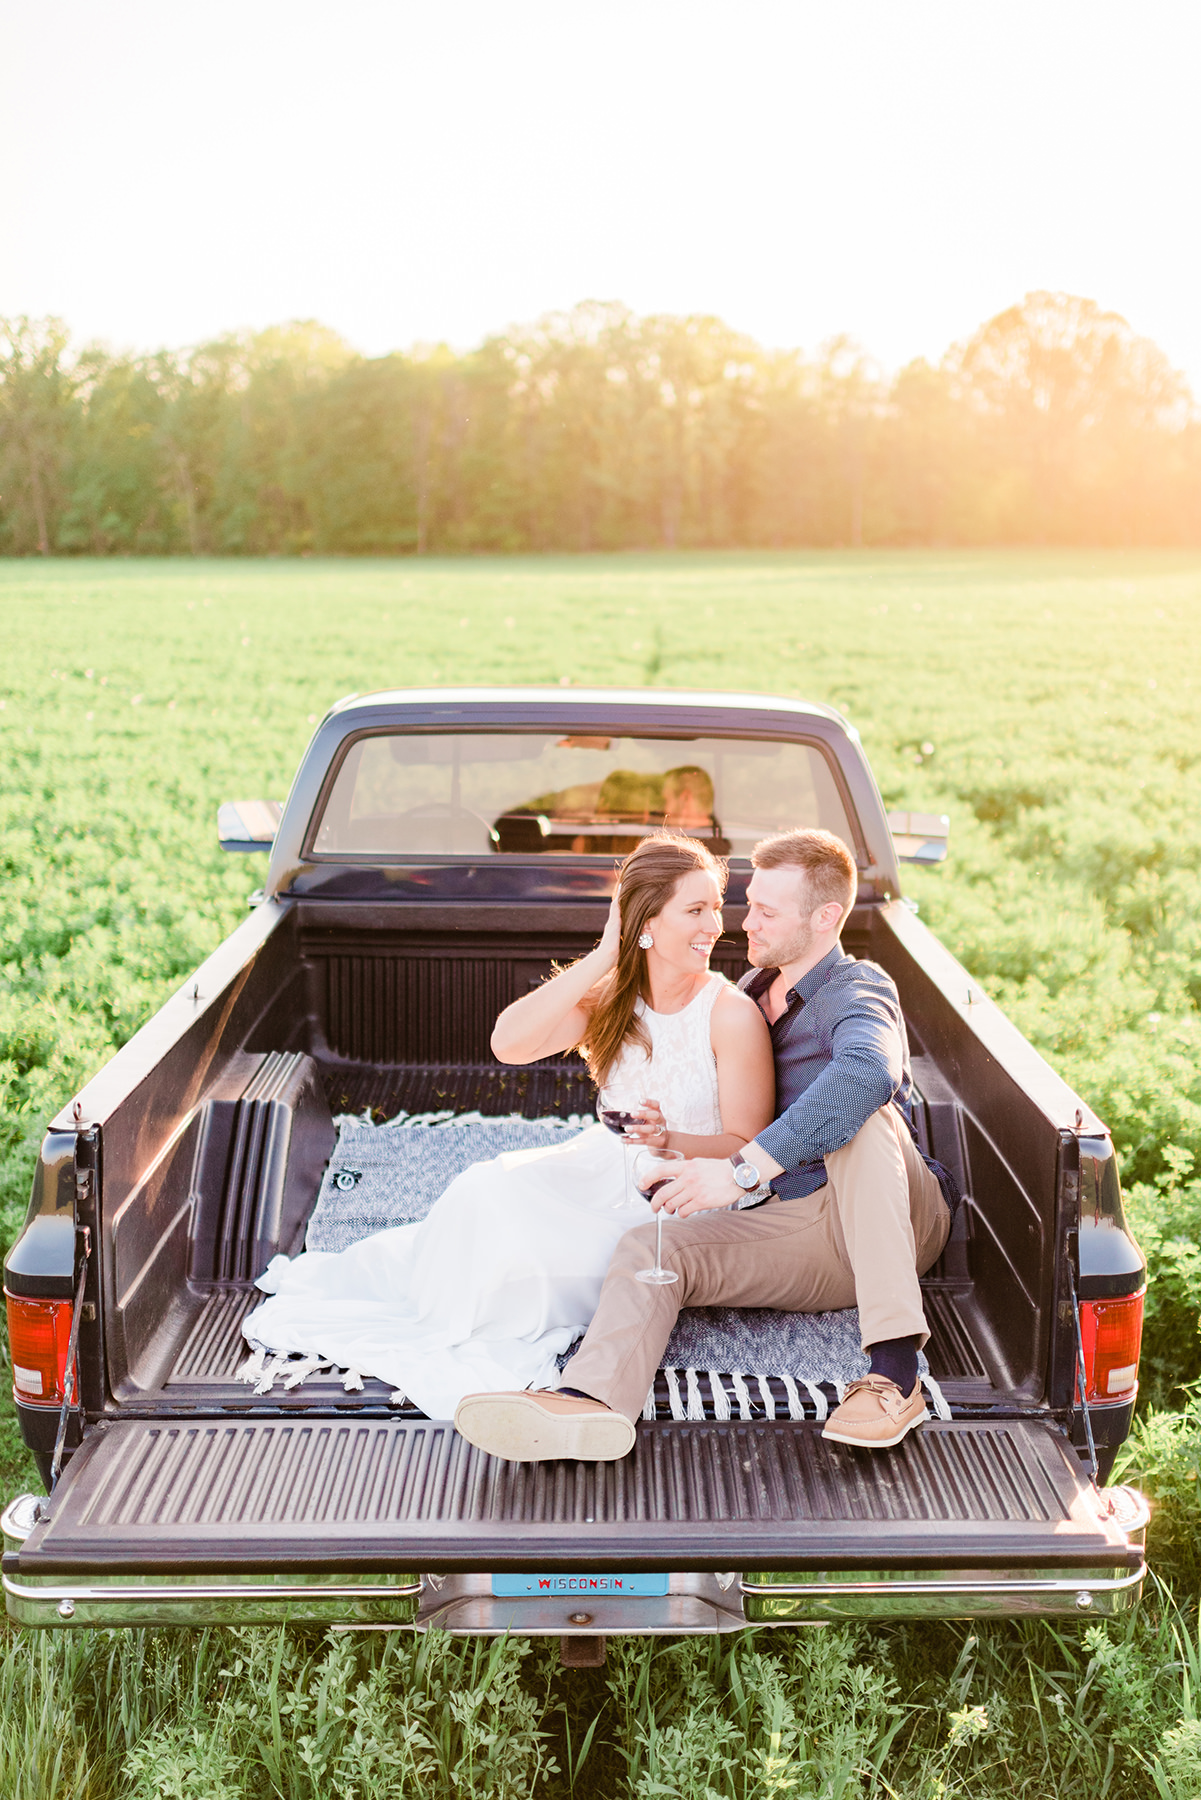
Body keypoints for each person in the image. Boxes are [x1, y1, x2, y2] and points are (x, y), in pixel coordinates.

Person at [454, 828, 955, 1461]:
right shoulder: (748, 991)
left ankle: (894, 1376)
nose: (743, 921)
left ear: (826, 918)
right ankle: (591, 1404)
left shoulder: (858, 989)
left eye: (767, 910)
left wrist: (742, 1169)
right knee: (650, 1245)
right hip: (803, 1229)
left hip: (898, 1218)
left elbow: (867, 1074)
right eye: (747, 902)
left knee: (863, 1116)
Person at [243, 833, 774, 1426]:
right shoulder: (613, 998)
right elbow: (509, 1044)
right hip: (600, 1165)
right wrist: (604, 954)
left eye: (716, 906)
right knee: (480, 1191)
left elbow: (746, 1146)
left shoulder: (730, 1014)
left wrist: (667, 1139)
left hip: (680, 1194)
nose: (715, 926)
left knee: (525, 1257)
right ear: (644, 921)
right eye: (695, 909)